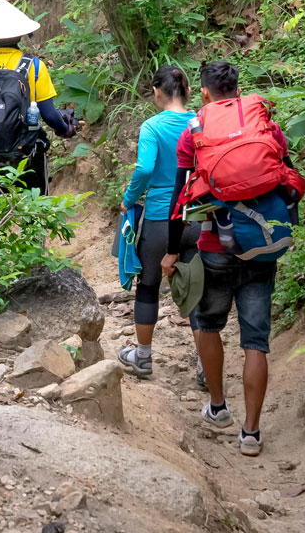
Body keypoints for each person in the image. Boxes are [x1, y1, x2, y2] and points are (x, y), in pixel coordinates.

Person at [162, 60, 304, 458]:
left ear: (203, 93)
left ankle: (219, 408)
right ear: (238, 90)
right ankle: (252, 433)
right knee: (255, 342)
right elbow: (286, 178)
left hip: (214, 247)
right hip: (262, 246)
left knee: (207, 325)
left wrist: (172, 252)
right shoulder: (264, 125)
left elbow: (179, 199)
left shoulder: (194, 131)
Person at [0, 0, 76, 194]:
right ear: (20, 35)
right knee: (36, 209)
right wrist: (66, 129)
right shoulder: (34, 66)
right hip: (28, 149)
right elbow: (49, 115)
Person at [116, 65, 193, 378]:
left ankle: (143, 357)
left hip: (161, 217)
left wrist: (130, 198)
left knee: (148, 286)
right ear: (187, 91)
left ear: (157, 92)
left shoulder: (152, 126)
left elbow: (145, 169)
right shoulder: (201, 122)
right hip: (198, 215)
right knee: (199, 291)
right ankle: (205, 368)